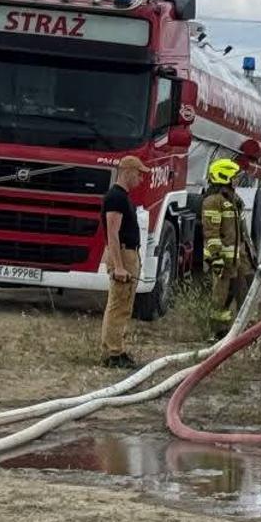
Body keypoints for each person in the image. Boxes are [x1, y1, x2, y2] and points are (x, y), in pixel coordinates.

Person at [100, 156, 147, 368]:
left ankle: (118, 348)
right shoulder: (116, 198)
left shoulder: (124, 197)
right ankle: (112, 353)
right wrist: (118, 266)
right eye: (139, 174)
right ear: (127, 171)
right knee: (118, 304)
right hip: (123, 254)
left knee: (124, 305)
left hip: (129, 254)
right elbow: (112, 232)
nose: (141, 179)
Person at [200, 158, 251, 336]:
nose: (237, 180)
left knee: (243, 294)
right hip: (222, 259)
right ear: (224, 176)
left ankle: (243, 331)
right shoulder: (213, 201)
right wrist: (216, 258)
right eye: (234, 177)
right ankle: (217, 332)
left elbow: (240, 234)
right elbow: (211, 233)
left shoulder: (232, 199)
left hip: (237, 260)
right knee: (220, 297)